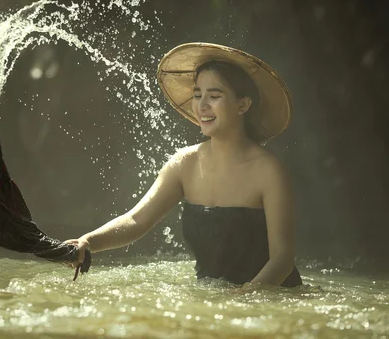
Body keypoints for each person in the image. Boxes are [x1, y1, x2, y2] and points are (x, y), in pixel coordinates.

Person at [64, 43, 302, 287]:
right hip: (213, 301)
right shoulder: (183, 164)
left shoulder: (268, 171)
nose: (202, 105)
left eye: (215, 96)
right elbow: (136, 221)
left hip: (268, 300)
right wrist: (88, 241)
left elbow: (282, 259)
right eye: (198, 95)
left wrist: (243, 299)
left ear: (243, 105)